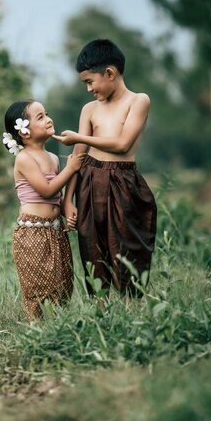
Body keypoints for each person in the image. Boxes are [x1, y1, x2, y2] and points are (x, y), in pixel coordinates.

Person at [53, 38, 157, 297]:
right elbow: (77, 158)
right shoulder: (89, 109)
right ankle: (101, 310)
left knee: (128, 246)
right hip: (89, 181)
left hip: (123, 182)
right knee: (92, 247)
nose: (88, 89)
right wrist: (68, 200)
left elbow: (122, 144)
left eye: (90, 81)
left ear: (110, 73)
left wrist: (79, 138)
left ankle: (132, 307)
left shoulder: (138, 101)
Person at [3, 100, 84, 321]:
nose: (48, 119)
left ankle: (58, 327)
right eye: (40, 117)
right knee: (38, 284)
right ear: (24, 132)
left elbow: (58, 195)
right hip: (32, 233)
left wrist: (68, 208)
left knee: (61, 281)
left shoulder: (53, 158)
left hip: (55, 231)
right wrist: (71, 168)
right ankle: (36, 330)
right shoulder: (24, 159)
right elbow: (47, 190)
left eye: (46, 113)